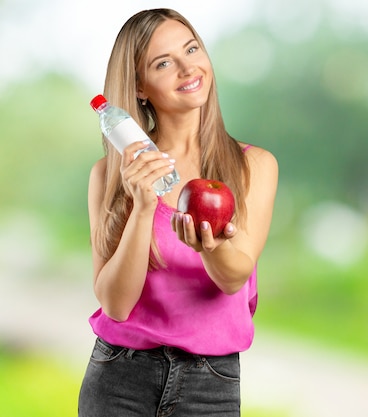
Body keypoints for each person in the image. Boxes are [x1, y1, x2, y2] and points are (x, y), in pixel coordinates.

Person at [78, 8, 278, 417]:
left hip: (211, 383)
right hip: (119, 377)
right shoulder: (110, 175)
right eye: (164, 62)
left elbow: (233, 277)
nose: (189, 68)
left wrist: (209, 247)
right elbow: (115, 305)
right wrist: (142, 207)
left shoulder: (251, 166)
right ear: (139, 87)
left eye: (192, 49)